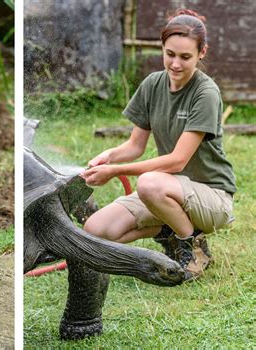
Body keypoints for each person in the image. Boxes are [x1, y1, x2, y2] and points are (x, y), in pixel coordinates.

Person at [81, 9, 236, 281]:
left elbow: (177, 161)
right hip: (168, 192)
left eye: (185, 57)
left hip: (212, 198)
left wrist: (116, 172)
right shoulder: (153, 84)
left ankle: (194, 248)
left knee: (149, 183)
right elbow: (134, 146)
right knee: (96, 230)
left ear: (202, 53)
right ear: (162, 48)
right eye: (170, 54)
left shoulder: (205, 93)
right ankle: (172, 233)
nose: (175, 64)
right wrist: (109, 156)